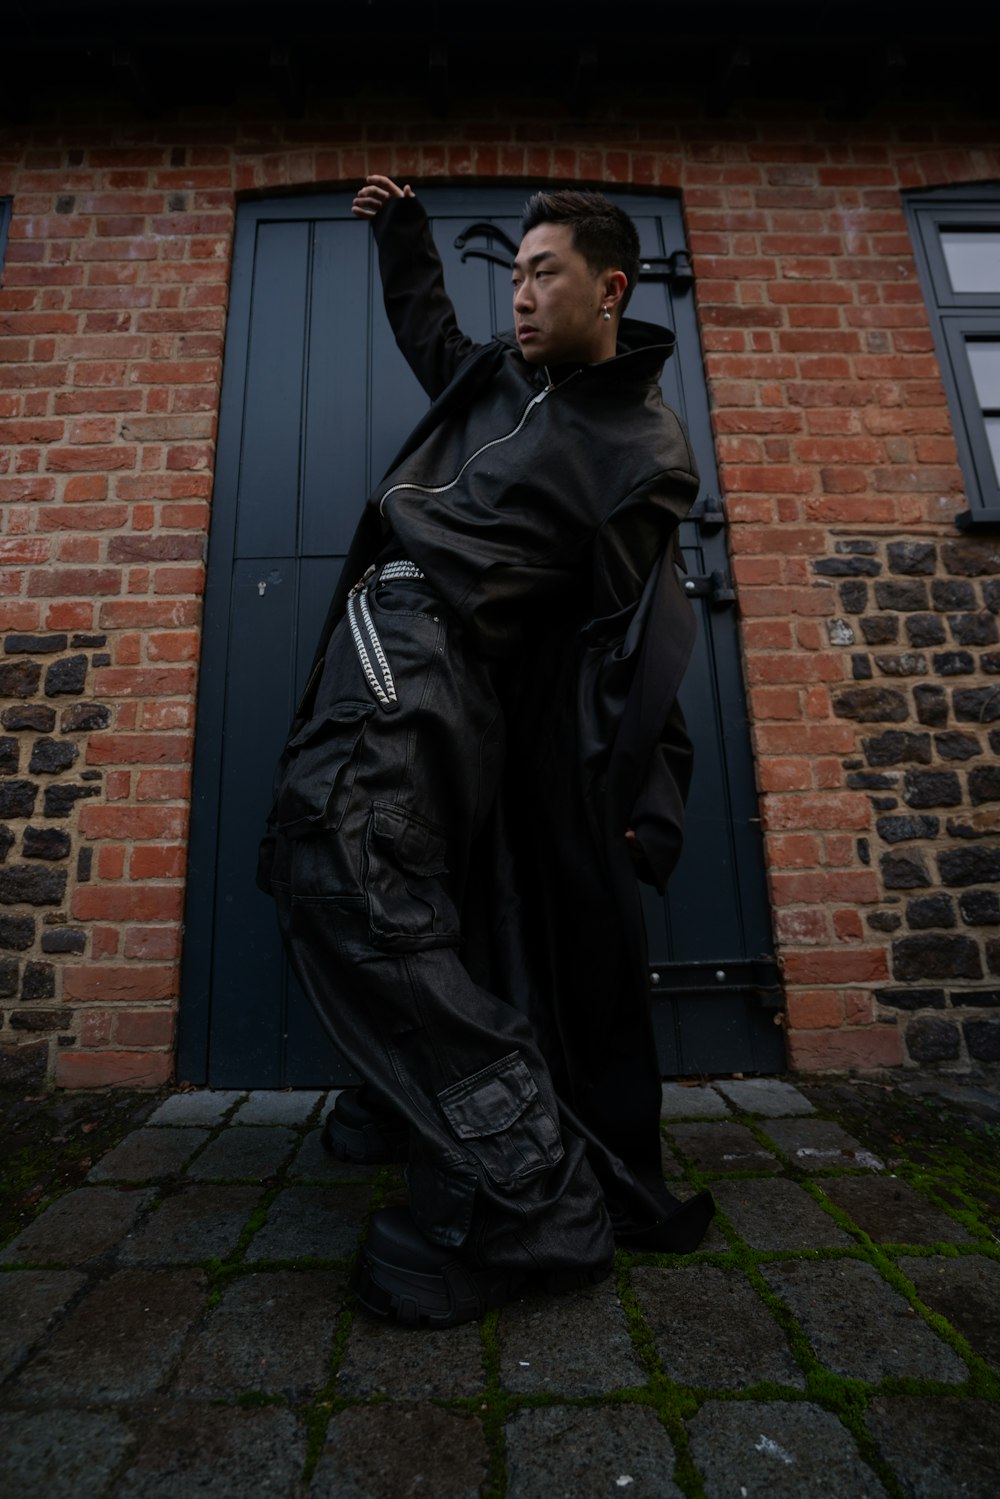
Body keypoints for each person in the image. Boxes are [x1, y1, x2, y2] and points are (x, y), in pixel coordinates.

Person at [258, 175, 715, 1327]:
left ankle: (531, 1193)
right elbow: (426, 323)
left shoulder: (640, 446)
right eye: (509, 273)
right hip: (385, 634)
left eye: (541, 272)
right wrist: (405, 233)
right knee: (380, 882)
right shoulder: (494, 377)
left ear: (608, 287)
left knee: (345, 874)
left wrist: (641, 792)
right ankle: (424, 1121)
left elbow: (631, 634)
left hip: (438, 651)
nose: (517, 294)